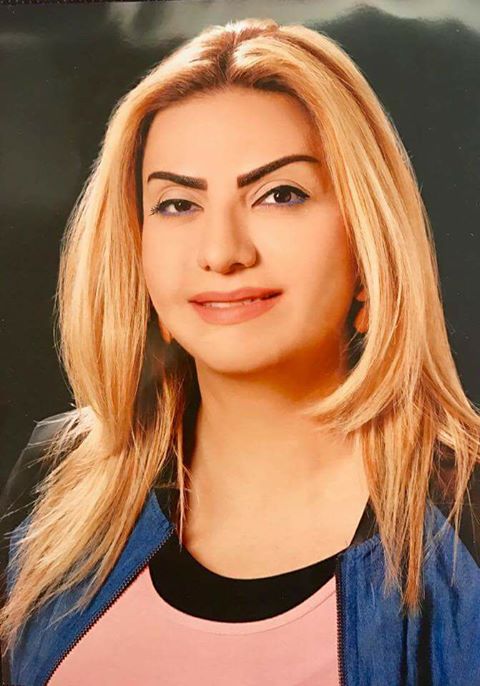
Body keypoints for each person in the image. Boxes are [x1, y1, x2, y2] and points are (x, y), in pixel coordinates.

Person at [1, 16, 480, 686]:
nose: (222, 252)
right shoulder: (56, 479)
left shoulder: (465, 515)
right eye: (177, 204)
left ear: (367, 242)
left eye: (280, 195)